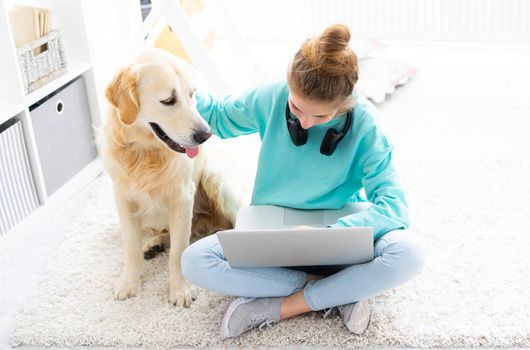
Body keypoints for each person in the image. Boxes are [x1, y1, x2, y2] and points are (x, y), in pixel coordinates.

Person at [181, 24, 424, 339]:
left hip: (338, 230)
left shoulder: (366, 125)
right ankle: (339, 291)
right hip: (272, 225)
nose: (305, 123)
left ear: (345, 103)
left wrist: (329, 236)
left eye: (321, 117)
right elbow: (218, 117)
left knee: (409, 253)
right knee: (195, 261)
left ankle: (284, 305)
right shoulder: (270, 95)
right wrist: (179, 82)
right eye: (296, 108)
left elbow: (395, 208)